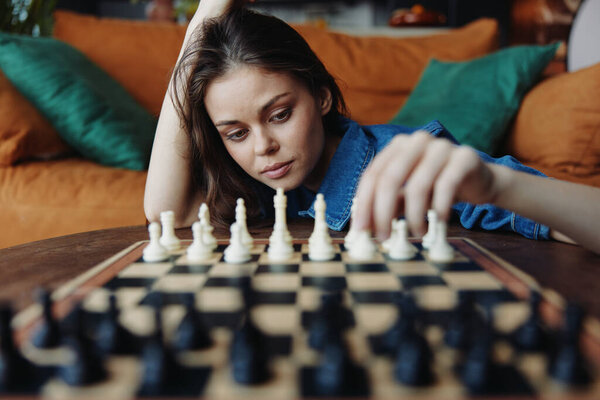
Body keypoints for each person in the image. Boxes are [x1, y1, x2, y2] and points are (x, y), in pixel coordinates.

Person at [144, 0, 600, 254]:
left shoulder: (411, 162)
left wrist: (499, 185)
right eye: (236, 133)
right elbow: (166, 212)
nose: (263, 147)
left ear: (321, 96)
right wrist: (206, 16)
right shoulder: (253, 181)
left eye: (280, 114)